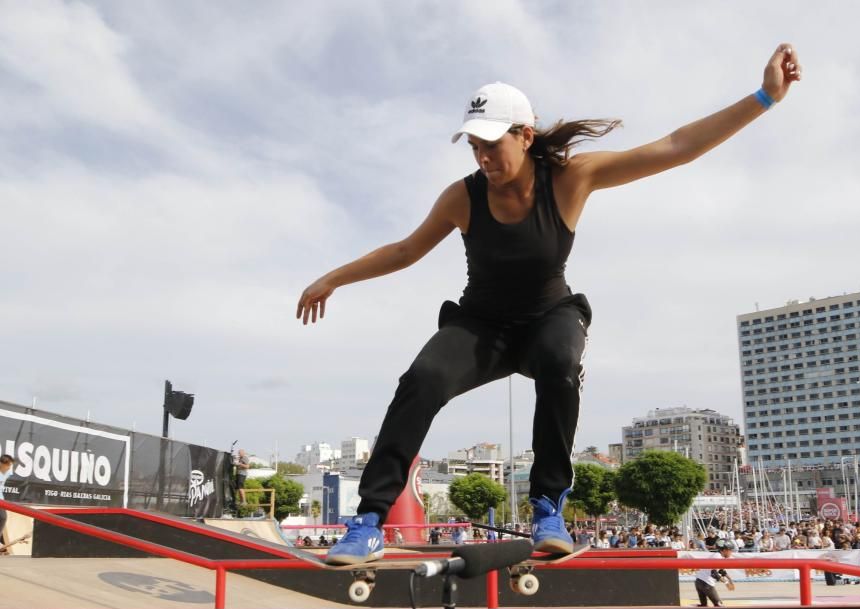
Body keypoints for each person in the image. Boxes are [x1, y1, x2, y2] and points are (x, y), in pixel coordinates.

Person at [299, 46, 802, 565]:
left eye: (493, 145)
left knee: (561, 362)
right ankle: (368, 522)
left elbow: (675, 147)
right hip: (481, 326)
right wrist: (333, 279)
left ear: (525, 135)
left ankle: (548, 509)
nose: (484, 159)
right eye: (474, 147)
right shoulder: (461, 197)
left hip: (549, 319)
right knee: (421, 380)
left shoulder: (570, 178)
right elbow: (406, 250)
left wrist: (764, 97)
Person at [694, 541, 736, 607]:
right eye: (730, 550)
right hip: (706, 583)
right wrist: (726, 583)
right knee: (719, 605)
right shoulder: (717, 557)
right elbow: (714, 573)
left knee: (703, 605)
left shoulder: (718, 555)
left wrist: (730, 580)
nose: (731, 552)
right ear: (724, 550)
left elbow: (721, 571)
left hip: (699, 581)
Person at [0, 454, 16, 547]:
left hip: (1, 499)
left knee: (3, 517)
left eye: (10, 465)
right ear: (1, 464)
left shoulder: (8, 472)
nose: (9, 468)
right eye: (8, 465)